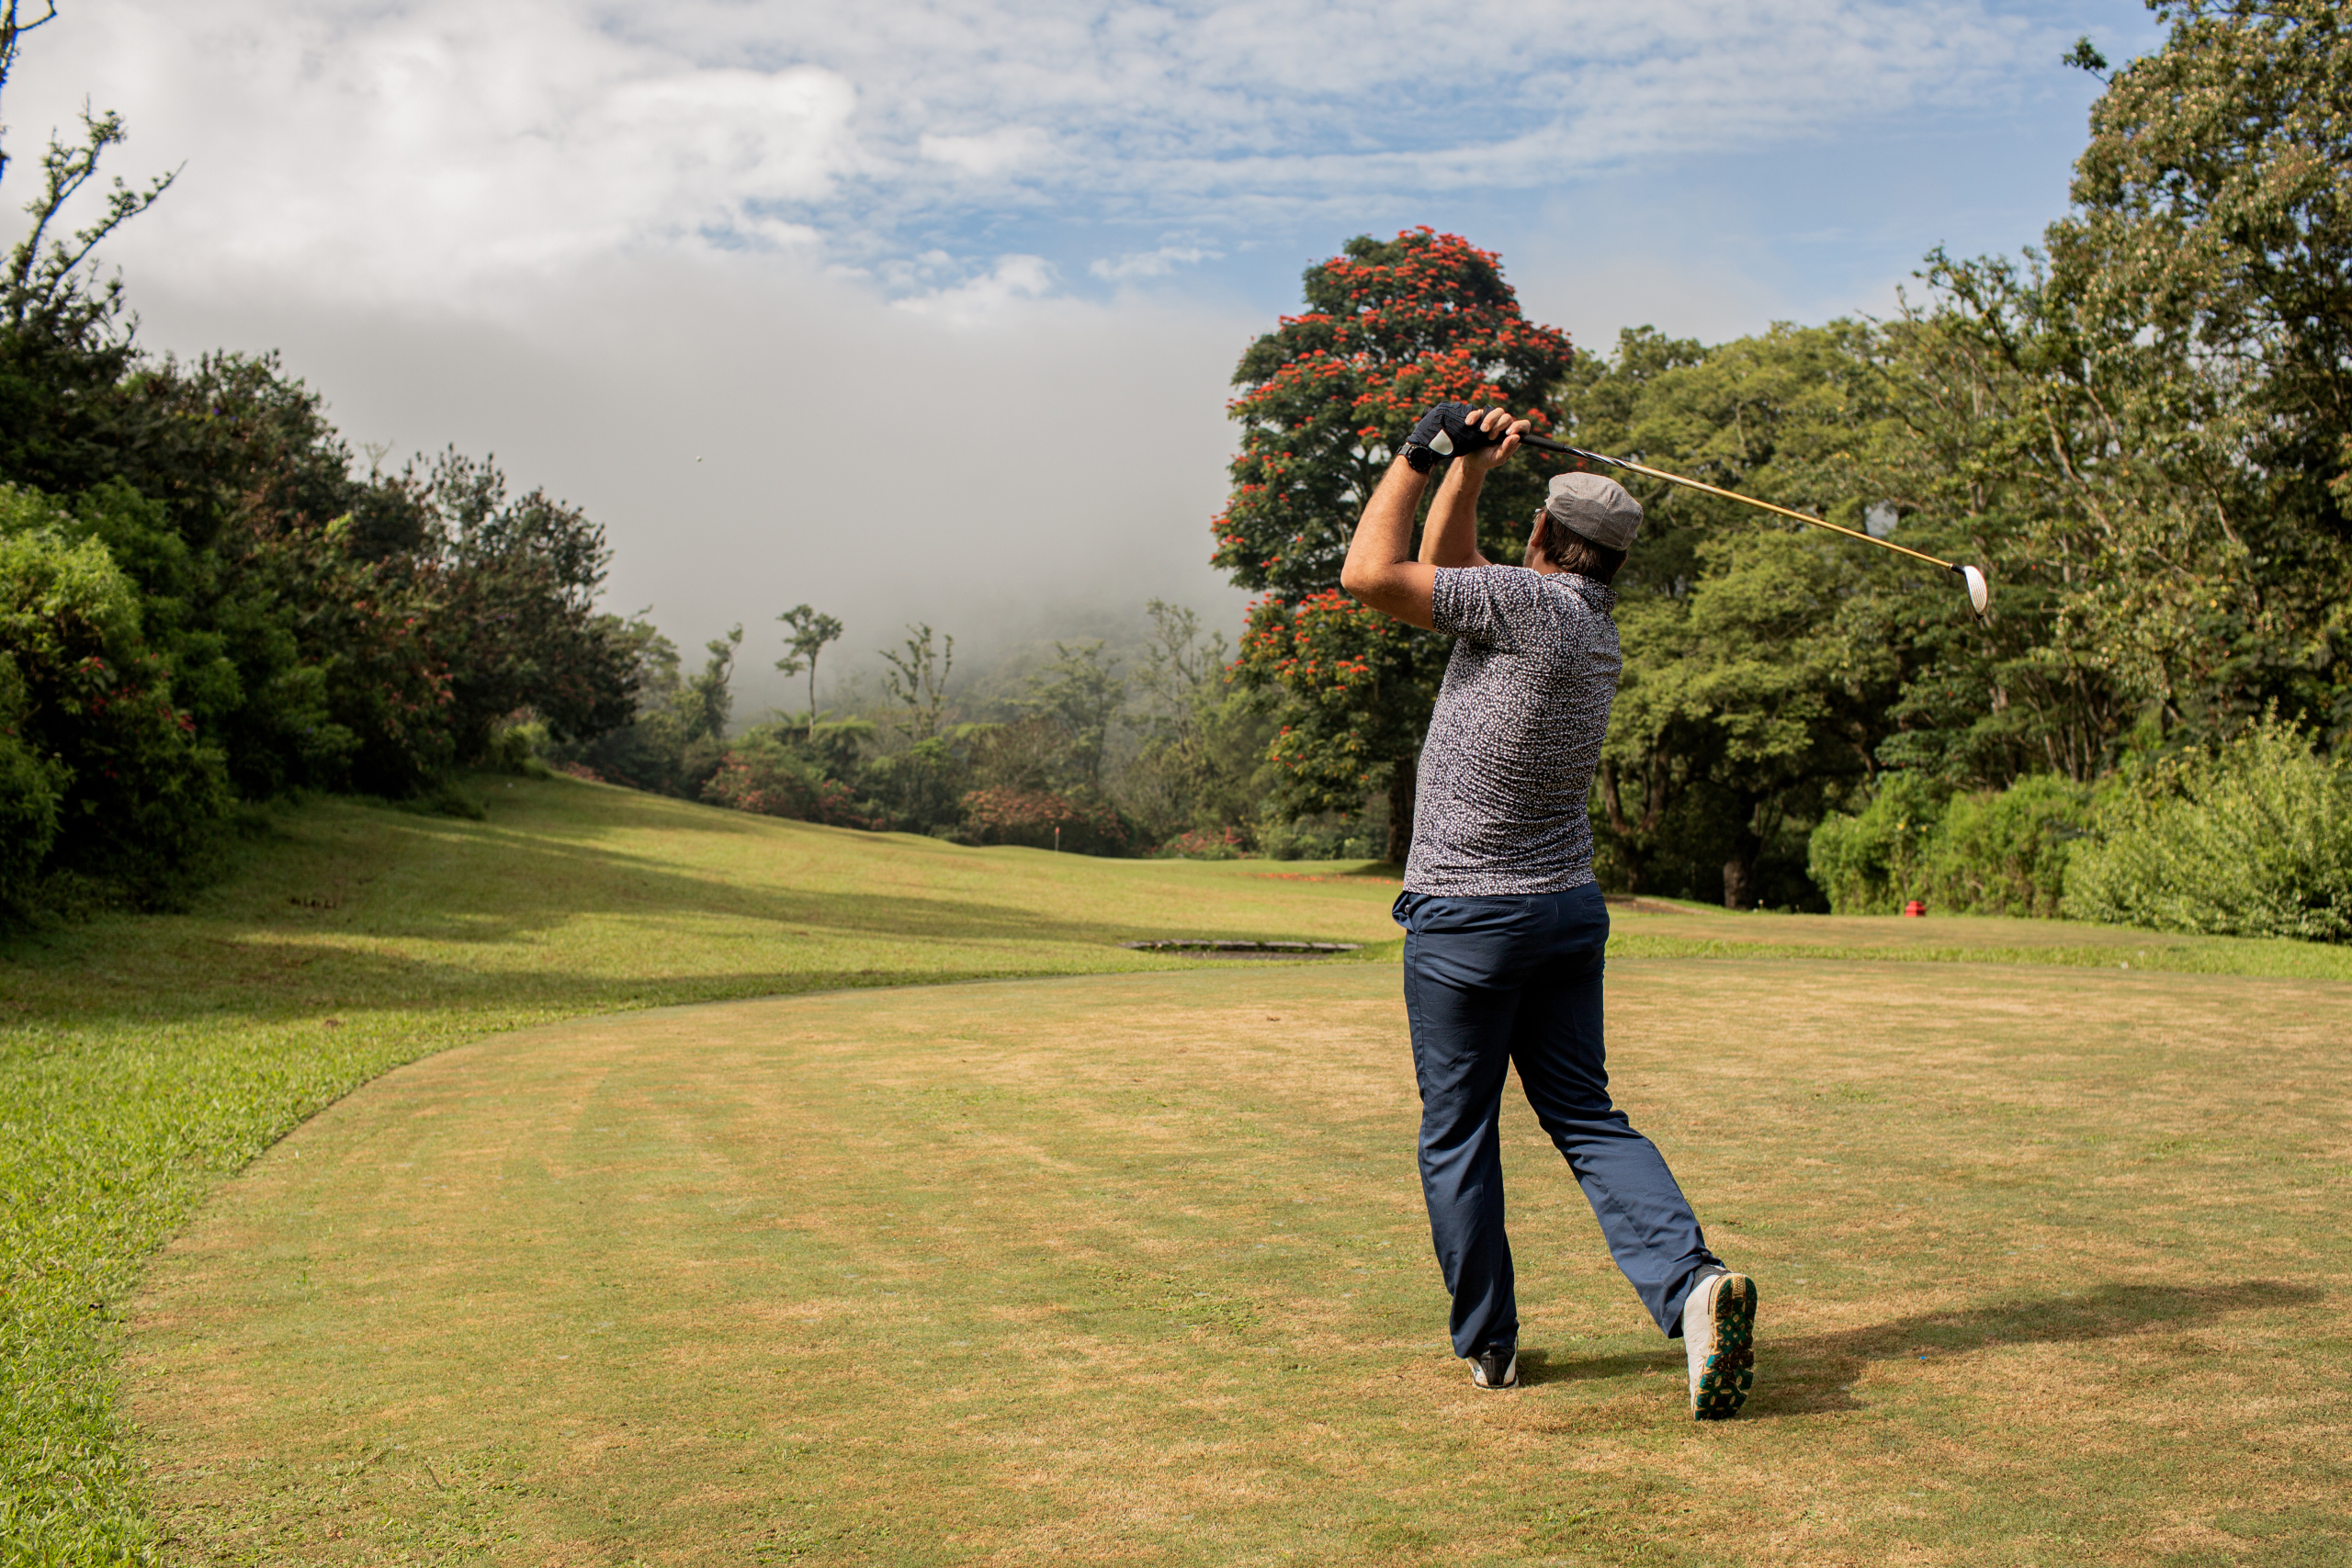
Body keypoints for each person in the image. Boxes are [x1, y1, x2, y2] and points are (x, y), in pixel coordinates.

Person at [1336, 400, 1758, 1420]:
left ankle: (1490, 1343)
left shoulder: (1522, 606)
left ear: (1542, 538)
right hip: (1564, 910)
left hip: (1469, 919)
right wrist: (1473, 468)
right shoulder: (1587, 624)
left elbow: (1368, 575)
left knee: (1458, 1133)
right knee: (1582, 1113)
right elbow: (1454, 565)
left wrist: (1420, 451)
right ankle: (1691, 1284)